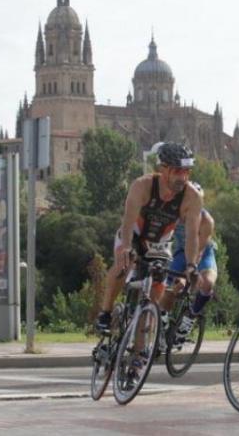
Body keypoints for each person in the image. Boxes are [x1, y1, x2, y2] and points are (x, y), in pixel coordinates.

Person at [95, 141, 203, 332]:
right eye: (178, 171)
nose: (183, 177)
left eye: (187, 172)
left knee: (155, 293)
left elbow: (192, 235)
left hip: (160, 242)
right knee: (123, 265)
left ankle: (139, 355)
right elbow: (127, 222)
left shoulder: (192, 197)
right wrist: (126, 248)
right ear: (164, 169)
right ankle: (106, 312)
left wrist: (191, 265)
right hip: (135, 234)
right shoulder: (142, 186)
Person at [159, 190, 218, 343]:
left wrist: (191, 269)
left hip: (203, 254)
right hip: (180, 253)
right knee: (171, 287)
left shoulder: (206, 220)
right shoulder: (174, 215)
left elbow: (200, 249)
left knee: (207, 283)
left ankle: (191, 317)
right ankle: (163, 319)